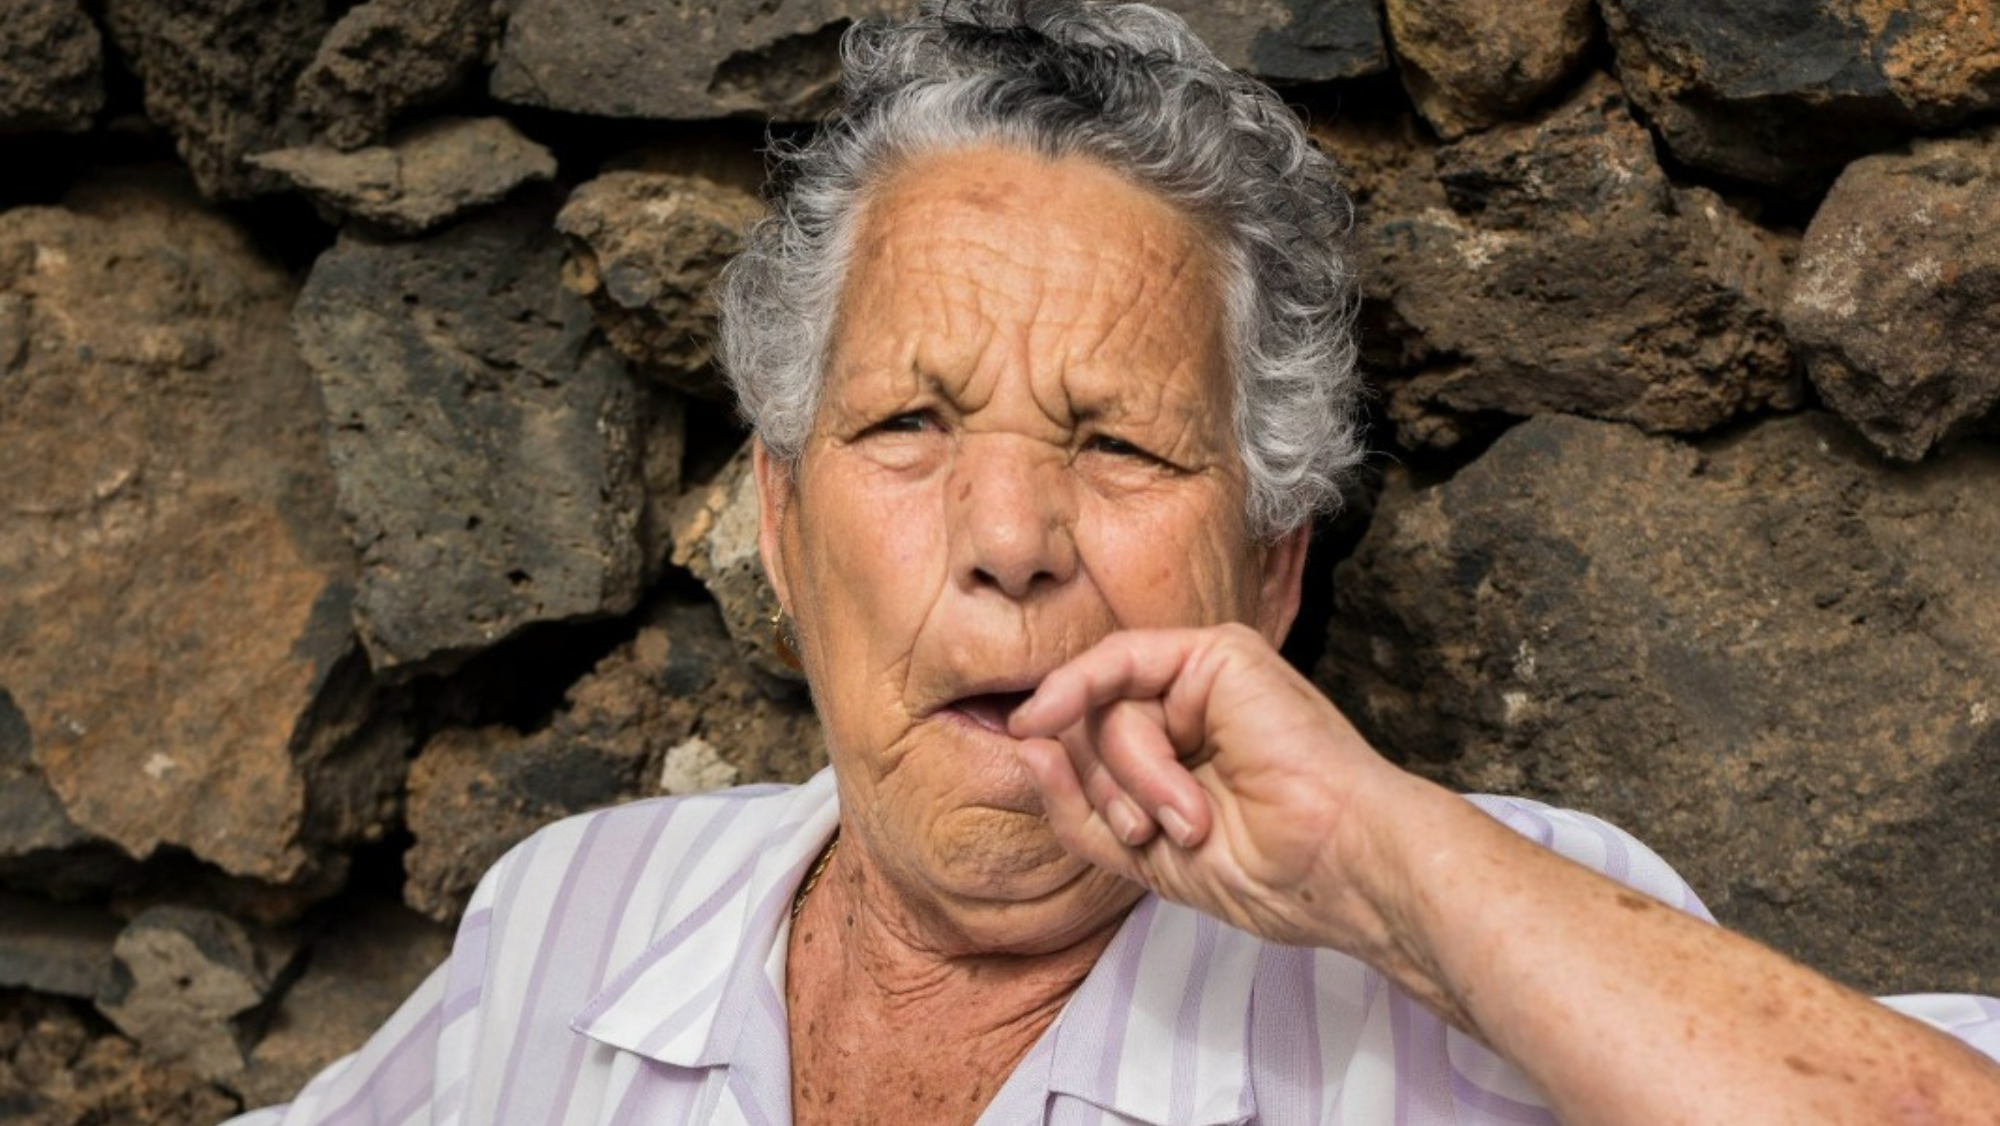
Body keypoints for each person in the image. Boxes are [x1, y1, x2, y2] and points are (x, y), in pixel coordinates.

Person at [227, 3, 2000, 1125]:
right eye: (910, 424)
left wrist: (1392, 877)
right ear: (779, 521)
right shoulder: (576, 922)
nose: (1011, 545)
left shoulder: (1480, 955)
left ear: (1270, 569)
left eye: (1124, 444)